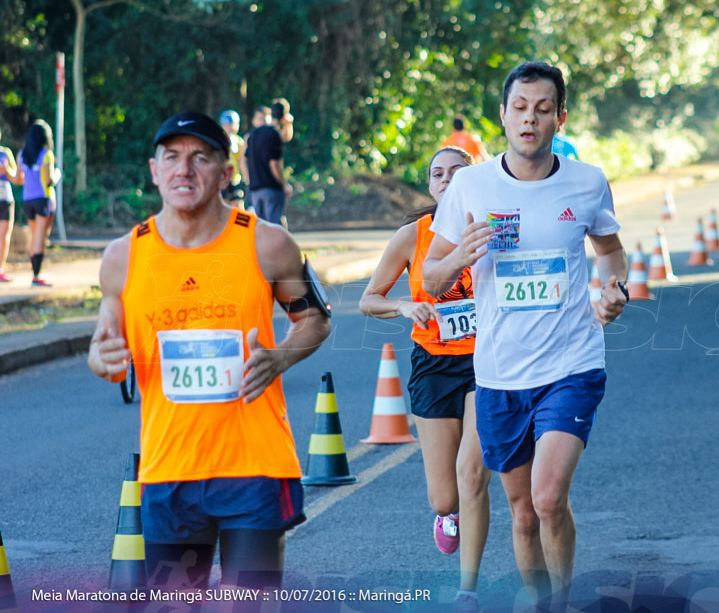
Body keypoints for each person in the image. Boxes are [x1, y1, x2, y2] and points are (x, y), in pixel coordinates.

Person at [86, 111, 331, 593]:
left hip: (254, 467)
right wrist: (102, 361)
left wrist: (280, 357)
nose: (185, 170)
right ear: (154, 170)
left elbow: (315, 319)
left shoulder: (268, 244)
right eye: (171, 157)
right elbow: (104, 344)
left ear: (226, 171)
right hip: (168, 470)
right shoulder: (122, 257)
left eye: (201, 157)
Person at [423, 62, 628, 611]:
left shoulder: (586, 182)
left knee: (547, 496)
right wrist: (460, 257)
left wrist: (615, 291)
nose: (530, 119)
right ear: (503, 115)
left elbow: (610, 251)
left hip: (572, 364)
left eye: (543, 109)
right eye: (520, 108)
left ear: (560, 117)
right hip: (498, 373)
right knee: (519, 509)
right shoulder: (470, 185)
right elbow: (430, 277)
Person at [358, 146, 489, 612]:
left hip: (487, 363)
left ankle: (468, 590)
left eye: (458, 171)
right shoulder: (412, 236)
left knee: (472, 474)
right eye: (438, 174)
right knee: (444, 495)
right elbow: (369, 299)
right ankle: (446, 515)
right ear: (430, 185)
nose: (448, 179)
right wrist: (402, 306)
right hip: (433, 364)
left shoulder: (493, 227)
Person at [14, 119, 61, 287]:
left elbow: (18, 179)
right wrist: (57, 174)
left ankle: (35, 272)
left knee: (35, 235)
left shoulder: (22, 155)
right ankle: (37, 274)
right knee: (41, 236)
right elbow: (49, 180)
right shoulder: (46, 155)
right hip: (43, 198)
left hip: (27, 200)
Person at [245, 101, 292, 224]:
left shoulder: (252, 135)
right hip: (271, 188)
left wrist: (248, 179)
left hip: (255, 189)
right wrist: (284, 184)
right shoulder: (273, 134)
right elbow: (274, 164)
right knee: (275, 228)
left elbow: (243, 160)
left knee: (262, 229)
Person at [218, 110, 247, 209]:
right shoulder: (219, 141)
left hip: (236, 179)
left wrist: (245, 176)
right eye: (227, 125)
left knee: (238, 206)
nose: (231, 128)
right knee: (224, 206)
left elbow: (242, 160)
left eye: (233, 125)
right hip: (222, 179)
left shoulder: (240, 141)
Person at [0, 130, 17, 282]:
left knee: (4, 236)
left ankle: (1, 269)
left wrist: (6, 169)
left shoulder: (6, 153)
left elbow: (17, 178)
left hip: (5, 198)